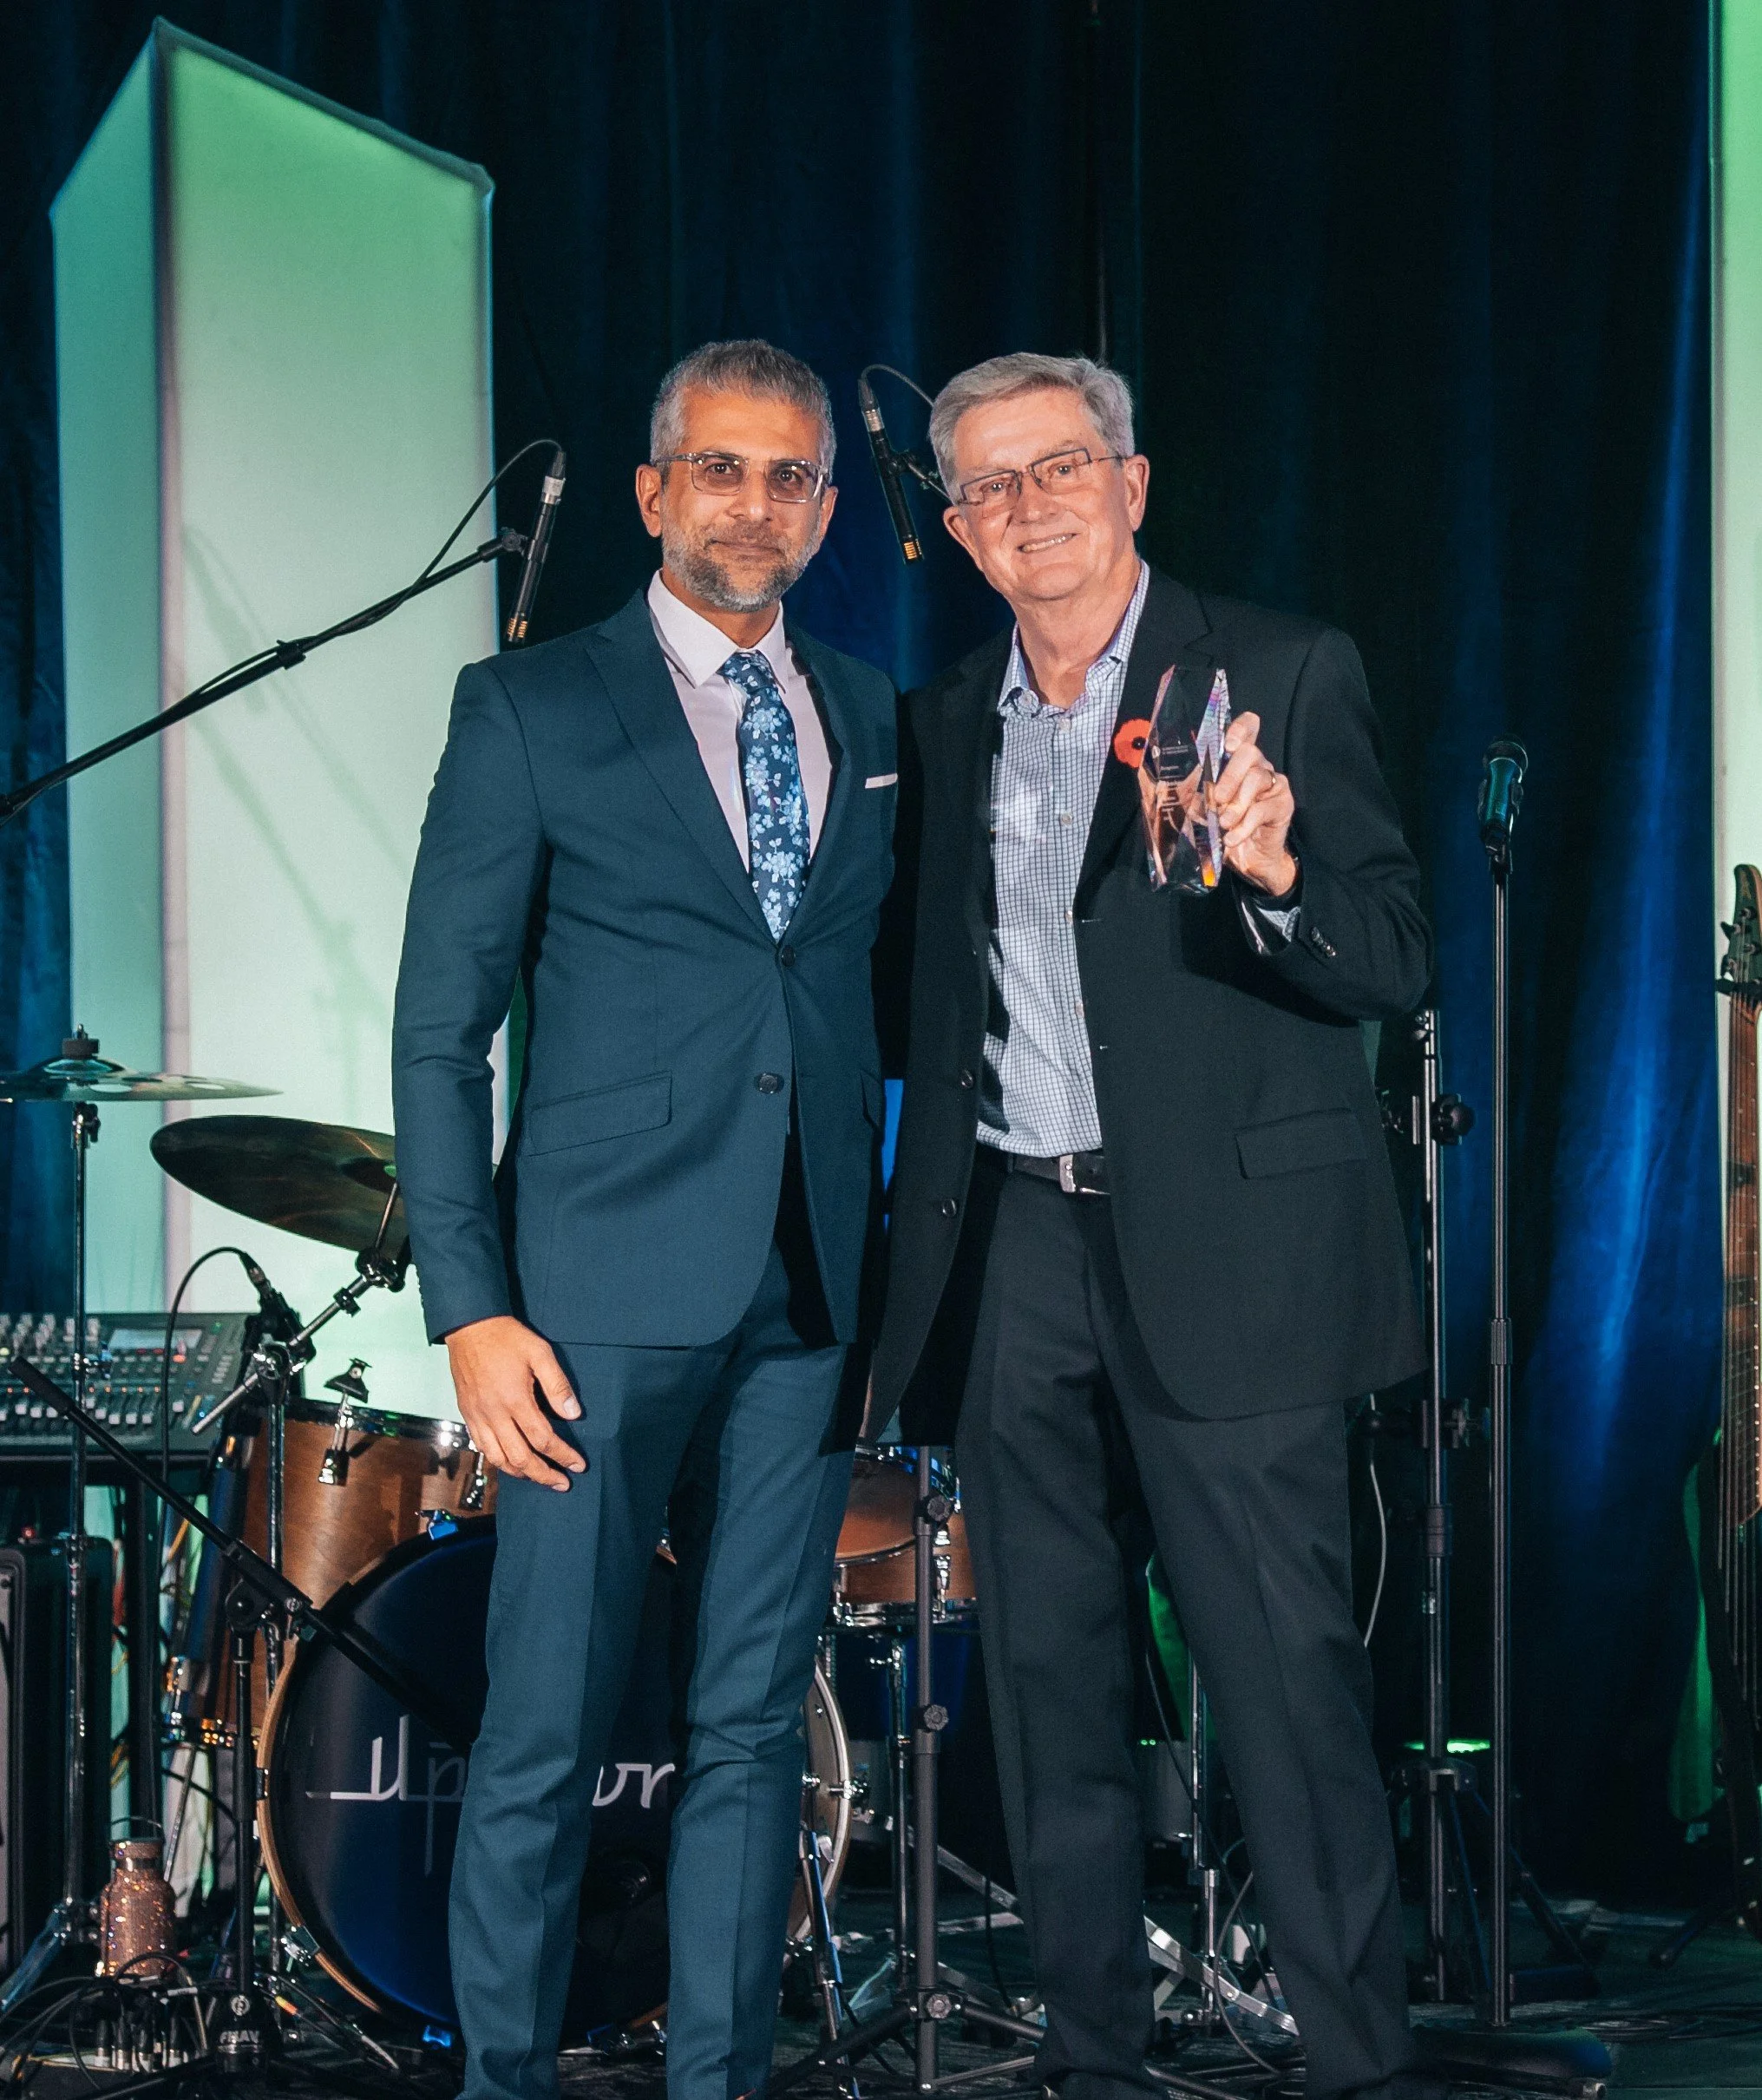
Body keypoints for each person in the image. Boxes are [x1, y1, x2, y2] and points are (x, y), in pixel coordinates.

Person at [870, 351, 1431, 2100]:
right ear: (958, 528)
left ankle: (1357, 2064)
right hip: (1015, 1241)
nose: (1024, 508)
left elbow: (1391, 957)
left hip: (1238, 1252)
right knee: (1046, 1686)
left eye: (1056, 469)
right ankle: (1091, 2057)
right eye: (986, 486)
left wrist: (1274, 874)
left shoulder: (1278, 668)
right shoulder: (942, 719)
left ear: (1128, 484)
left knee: (1282, 1689)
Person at [392, 338, 896, 2100]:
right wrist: (470, 1307)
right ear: (651, 490)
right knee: (543, 1730)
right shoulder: (528, 707)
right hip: (588, 1303)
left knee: (752, 1730)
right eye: (719, 468)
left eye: (788, 476)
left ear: (823, 509)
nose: (753, 504)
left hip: (809, 1292)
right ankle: (504, 2082)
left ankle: (720, 2083)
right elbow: (438, 1034)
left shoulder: (868, 710)